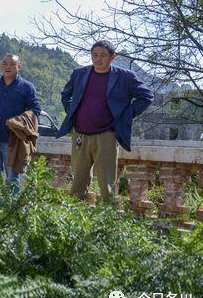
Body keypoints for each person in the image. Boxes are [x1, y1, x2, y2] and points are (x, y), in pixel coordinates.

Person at [57, 40, 153, 204]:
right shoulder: (79, 73)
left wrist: (125, 115)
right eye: (95, 55)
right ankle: (72, 222)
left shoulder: (125, 77)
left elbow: (146, 97)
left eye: (103, 55)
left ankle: (107, 223)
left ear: (112, 57)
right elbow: (66, 95)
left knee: (106, 186)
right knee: (77, 184)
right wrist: (72, 110)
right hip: (80, 135)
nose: (98, 59)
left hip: (106, 136)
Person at [0, 54, 41, 198]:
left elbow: (36, 109)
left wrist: (18, 121)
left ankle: (12, 211)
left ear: (18, 67)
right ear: (1, 66)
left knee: (12, 178)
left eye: (12, 64)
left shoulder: (26, 87)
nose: (8, 67)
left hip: (13, 141)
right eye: (5, 64)